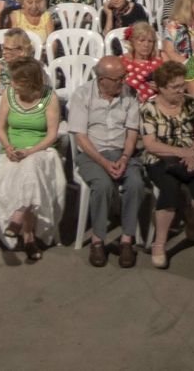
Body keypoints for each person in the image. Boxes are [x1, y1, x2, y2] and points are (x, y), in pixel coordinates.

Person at [67, 55, 145, 268]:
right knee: (101, 185)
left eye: (124, 76)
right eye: (119, 78)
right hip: (93, 153)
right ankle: (98, 240)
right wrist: (103, 162)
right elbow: (81, 137)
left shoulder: (130, 94)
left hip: (123, 152)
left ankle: (127, 239)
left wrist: (125, 157)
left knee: (136, 183)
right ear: (102, 80)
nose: (124, 81)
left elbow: (132, 132)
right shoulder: (82, 95)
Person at [139, 61, 194, 269]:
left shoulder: (192, 104)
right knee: (170, 191)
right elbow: (150, 144)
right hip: (160, 158)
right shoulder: (149, 108)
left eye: (182, 85)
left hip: (191, 155)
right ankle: (159, 244)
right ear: (161, 88)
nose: (181, 90)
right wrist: (181, 152)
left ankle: (191, 217)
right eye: (175, 87)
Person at [0, 57, 64, 260]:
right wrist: (8, 146)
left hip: (41, 150)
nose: (11, 84)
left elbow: (51, 135)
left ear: (28, 81)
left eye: (15, 81)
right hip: (13, 149)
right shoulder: (9, 94)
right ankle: (28, 236)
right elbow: (0, 127)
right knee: (16, 175)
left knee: (31, 169)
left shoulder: (50, 97)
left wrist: (30, 151)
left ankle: (19, 219)